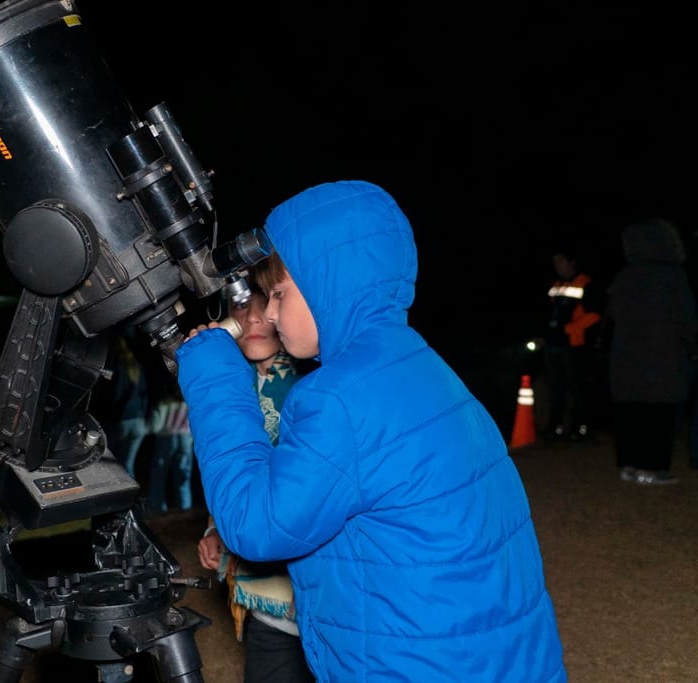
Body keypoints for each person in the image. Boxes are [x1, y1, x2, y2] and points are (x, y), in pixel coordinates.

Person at [176, 180, 566, 682]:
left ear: (328, 282)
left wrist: (216, 380)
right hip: (491, 655)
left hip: (415, 663)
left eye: (277, 293)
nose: (269, 314)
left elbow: (257, 523)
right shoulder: (419, 364)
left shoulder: (339, 397)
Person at [196, 284, 315, 683]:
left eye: (269, 302)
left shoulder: (320, 385)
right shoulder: (232, 385)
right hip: (269, 611)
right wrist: (217, 528)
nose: (252, 318)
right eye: (240, 305)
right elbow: (232, 471)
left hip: (324, 603)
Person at [605, 218, 697, 485]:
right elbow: (686, 318)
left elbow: (612, 316)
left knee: (631, 409)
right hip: (662, 358)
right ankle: (652, 468)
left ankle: (629, 465)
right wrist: (692, 346)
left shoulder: (625, 276)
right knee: (658, 411)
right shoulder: (672, 276)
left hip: (627, 357)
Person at [540, 248, 603, 441]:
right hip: (553, 345)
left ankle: (581, 427)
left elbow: (594, 314)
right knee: (555, 387)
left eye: (560, 261)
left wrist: (570, 329)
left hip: (574, 345)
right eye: (555, 262)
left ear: (571, 262)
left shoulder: (585, 283)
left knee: (577, 388)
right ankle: (555, 428)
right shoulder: (556, 285)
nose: (557, 266)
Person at [96, 332, 150, 479]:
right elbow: (145, 395)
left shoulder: (117, 368)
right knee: (128, 465)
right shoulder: (137, 367)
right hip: (139, 422)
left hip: (120, 421)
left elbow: (116, 396)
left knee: (108, 465)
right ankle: (132, 500)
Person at [146, 379, 193, 513]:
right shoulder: (189, 403)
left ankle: (158, 507)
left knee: (159, 475)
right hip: (185, 439)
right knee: (183, 476)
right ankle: (185, 507)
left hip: (166, 439)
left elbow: (155, 426)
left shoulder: (164, 403)